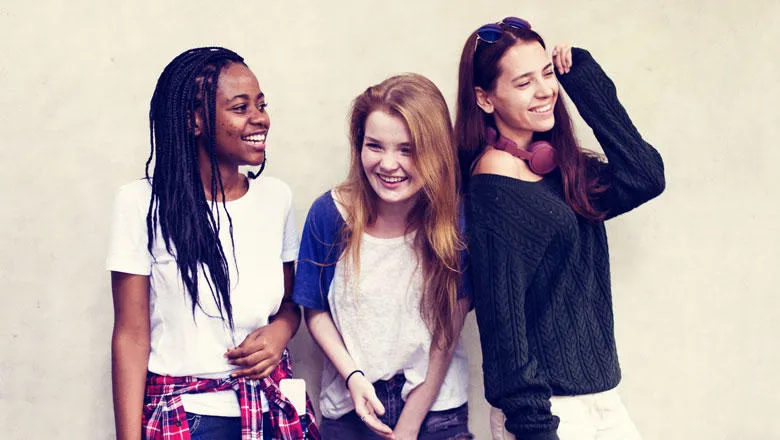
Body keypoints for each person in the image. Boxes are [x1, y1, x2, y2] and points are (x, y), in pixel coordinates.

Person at [455, 17, 666, 440]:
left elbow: (645, 177)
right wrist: (536, 430)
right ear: (484, 99)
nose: (545, 90)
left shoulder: (557, 168)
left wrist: (582, 79)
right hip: (549, 416)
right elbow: (504, 333)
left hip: (603, 401)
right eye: (523, 82)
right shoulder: (494, 190)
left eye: (547, 74)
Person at [106, 47, 319, 440]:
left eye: (261, 104)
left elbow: (290, 305)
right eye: (240, 108)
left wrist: (279, 335)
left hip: (272, 412)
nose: (260, 118)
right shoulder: (140, 204)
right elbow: (131, 336)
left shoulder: (277, 198)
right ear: (196, 120)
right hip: (187, 418)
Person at [293, 73, 473, 440]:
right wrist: (353, 377)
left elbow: (448, 329)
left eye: (407, 149)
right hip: (349, 410)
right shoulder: (328, 215)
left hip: (436, 412)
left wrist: (410, 421)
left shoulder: (455, 221)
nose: (389, 164)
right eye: (375, 146)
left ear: (435, 150)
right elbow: (314, 310)